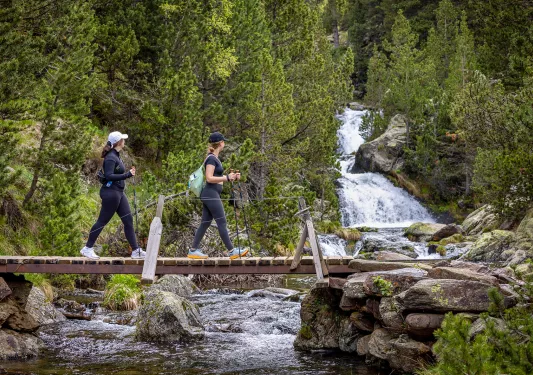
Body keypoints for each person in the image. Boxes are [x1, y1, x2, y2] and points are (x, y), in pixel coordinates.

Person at [80, 131, 146, 260]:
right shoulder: (111, 157)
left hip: (118, 193)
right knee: (102, 221)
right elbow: (109, 175)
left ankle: (135, 250)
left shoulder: (116, 155)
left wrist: (127, 174)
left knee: (128, 220)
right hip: (111, 193)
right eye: (123, 139)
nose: (124, 141)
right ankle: (87, 248)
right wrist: (127, 175)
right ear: (118, 142)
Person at [188, 132, 249, 260]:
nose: (224, 143)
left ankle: (193, 250)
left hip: (211, 193)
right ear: (220, 143)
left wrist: (231, 178)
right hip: (210, 193)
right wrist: (227, 177)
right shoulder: (211, 158)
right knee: (222, 221)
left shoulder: (214, 158)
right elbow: (209, 178)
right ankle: (232, 251)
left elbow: (217, 177)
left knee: (205, 222)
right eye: (223, 141)